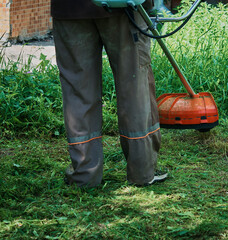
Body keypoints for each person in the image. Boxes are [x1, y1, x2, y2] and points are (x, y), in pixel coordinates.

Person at [51, 0, 167, 187]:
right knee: (134, 85)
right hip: (124, 7)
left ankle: (85, 175)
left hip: (70, 8)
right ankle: (142, 171)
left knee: (78, 90)